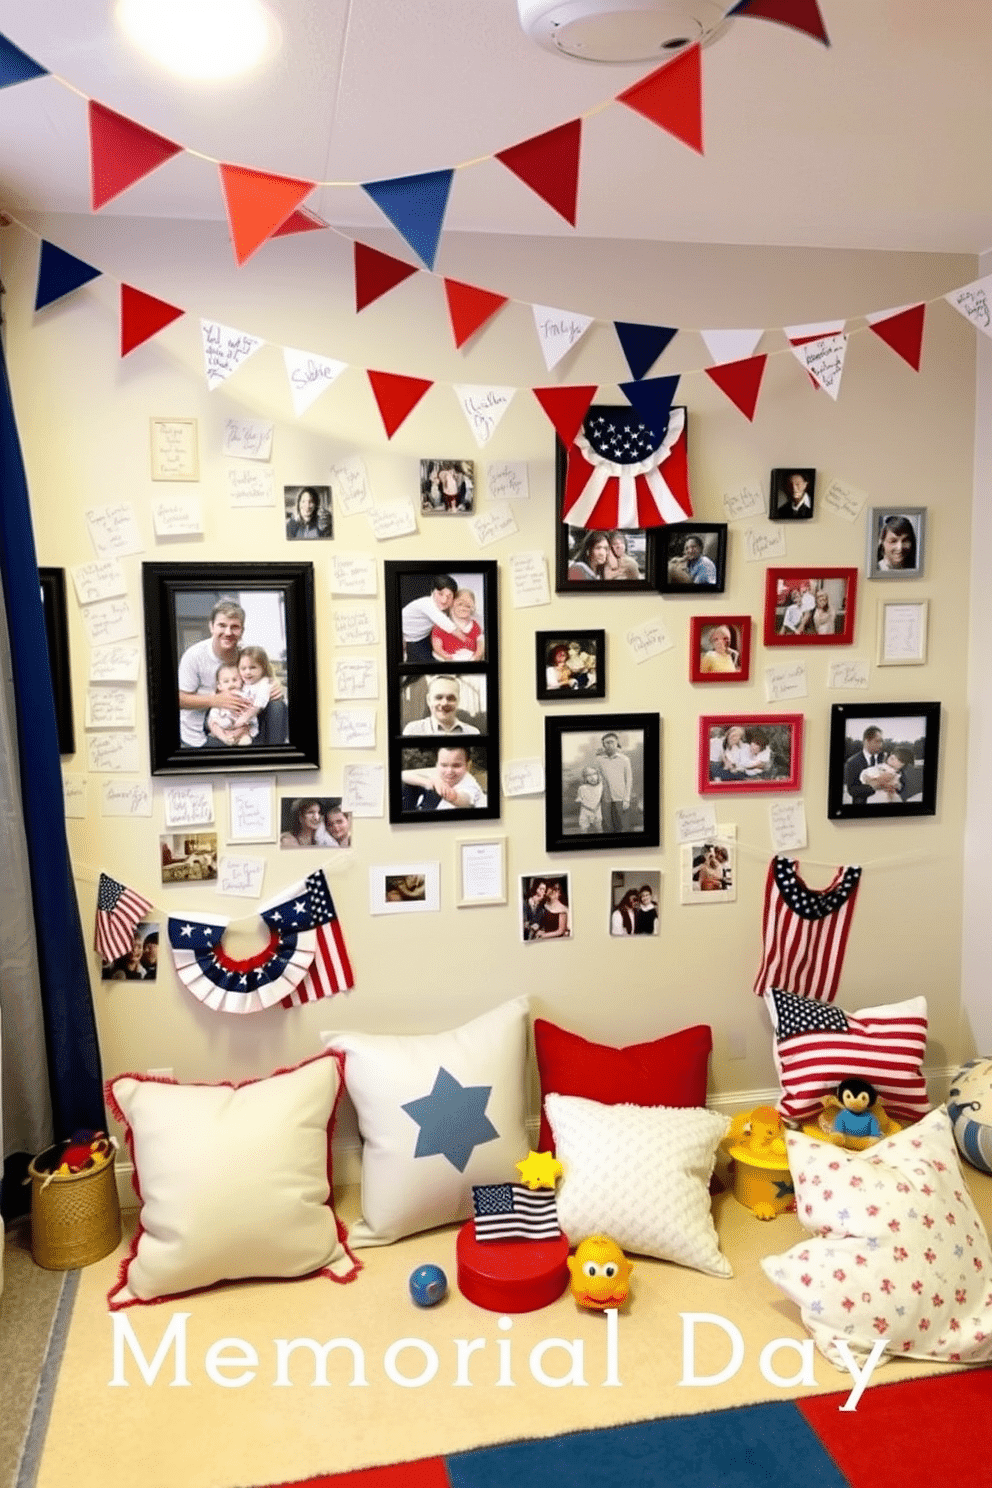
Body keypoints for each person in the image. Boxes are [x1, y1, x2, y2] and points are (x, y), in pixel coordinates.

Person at [177, 598, 287, 748]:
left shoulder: (246, 654)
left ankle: (277, 756)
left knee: (277, 705)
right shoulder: (194, 656)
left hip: (241, 715)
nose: (228, 632)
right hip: (203, 720)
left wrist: (273, 686)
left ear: (242, 630)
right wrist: (215, 700)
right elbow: (179, 699)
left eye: (235, 627)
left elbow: (265, 676)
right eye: (222, 625)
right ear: (211, 627)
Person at [401, 574, 472, 663]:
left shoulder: (443, 606)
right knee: (429, 664)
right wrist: (469, 642)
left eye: (449, 596)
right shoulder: (427, 604)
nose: (444, 600)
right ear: (433, 592)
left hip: (423, 635)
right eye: (440, 594)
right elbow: (449, 626)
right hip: (408, 637)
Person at [401, 745, 487, 811]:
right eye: (444, 765)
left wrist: (453, 797)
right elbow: (403, 775)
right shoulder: (438, 771)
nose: (449, 771)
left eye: (456, 766)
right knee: (409, 786)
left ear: (468, 766)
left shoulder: (469, 783)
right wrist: (430, 782)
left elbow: (465, 799)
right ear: (437, 764)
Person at [403, 675, 480, 736]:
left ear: (458, 700)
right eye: (439, 697)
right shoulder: (413, 731)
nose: (444, 703)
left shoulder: (473, 733)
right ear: (429, 700)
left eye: (451, 698)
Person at [206, 662, 254, 747]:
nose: (231, 684)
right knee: (213, 723)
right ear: (219, 686)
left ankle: (240, 737)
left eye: (235, 680)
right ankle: (224, 738)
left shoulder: (245, 696)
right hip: (222, 727)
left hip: (240, 726)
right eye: (226, 681)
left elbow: (250, 714)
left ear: (241, 682)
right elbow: (213, 718)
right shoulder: (219, 699)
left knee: (247, 726)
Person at [431, 588, 484, 662]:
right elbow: (437, 646)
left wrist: (476, 657)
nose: (463, 608)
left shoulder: (474, 625)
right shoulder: (441, 625)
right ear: (452, 605)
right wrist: (447, 657)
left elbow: (480, 644)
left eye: (468, 606)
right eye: (460, 604)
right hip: (445, 661)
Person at [597, 731, 632, 831]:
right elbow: (598, 778)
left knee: (622, 827)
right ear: (604, 745)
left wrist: (626, 799)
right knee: (608, 827)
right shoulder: (600, 760)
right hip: (605, 799)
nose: (610, 745)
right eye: (607, 743)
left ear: (617, 743)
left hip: (620, 798)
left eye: (612, 742)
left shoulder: (625, 759)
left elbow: (628, 779)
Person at [844, 725, 886, 805]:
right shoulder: (852, 762)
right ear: (867, 741)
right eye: (877, 741)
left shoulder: (885, 757)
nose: (881, 745)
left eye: (881, 741)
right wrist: (872, 787)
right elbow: (852, 790)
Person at [575, 766, 603, 833]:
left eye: (594, 774)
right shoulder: (582, 788)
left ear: (598, 775)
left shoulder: (601, 786)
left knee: (600, 828)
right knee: (583, 828)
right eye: (588, 775)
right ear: (585, 778)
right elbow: (580, 799)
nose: (592, 777)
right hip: (586, 810)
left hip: (597, 810)